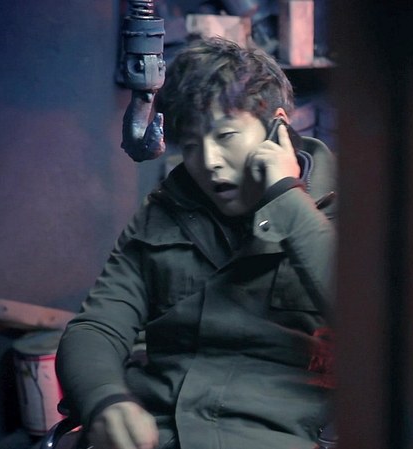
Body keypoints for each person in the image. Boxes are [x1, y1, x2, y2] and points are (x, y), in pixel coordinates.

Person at [56, 37, 337, 449]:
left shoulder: (343, 209)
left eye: (226, 135)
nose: (209, 161)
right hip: (157, 432)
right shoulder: (165, 210)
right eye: (191, 145)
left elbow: (371, 317)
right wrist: (105, 400)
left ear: (277, 126)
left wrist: (285, 197)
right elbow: (97, 326)